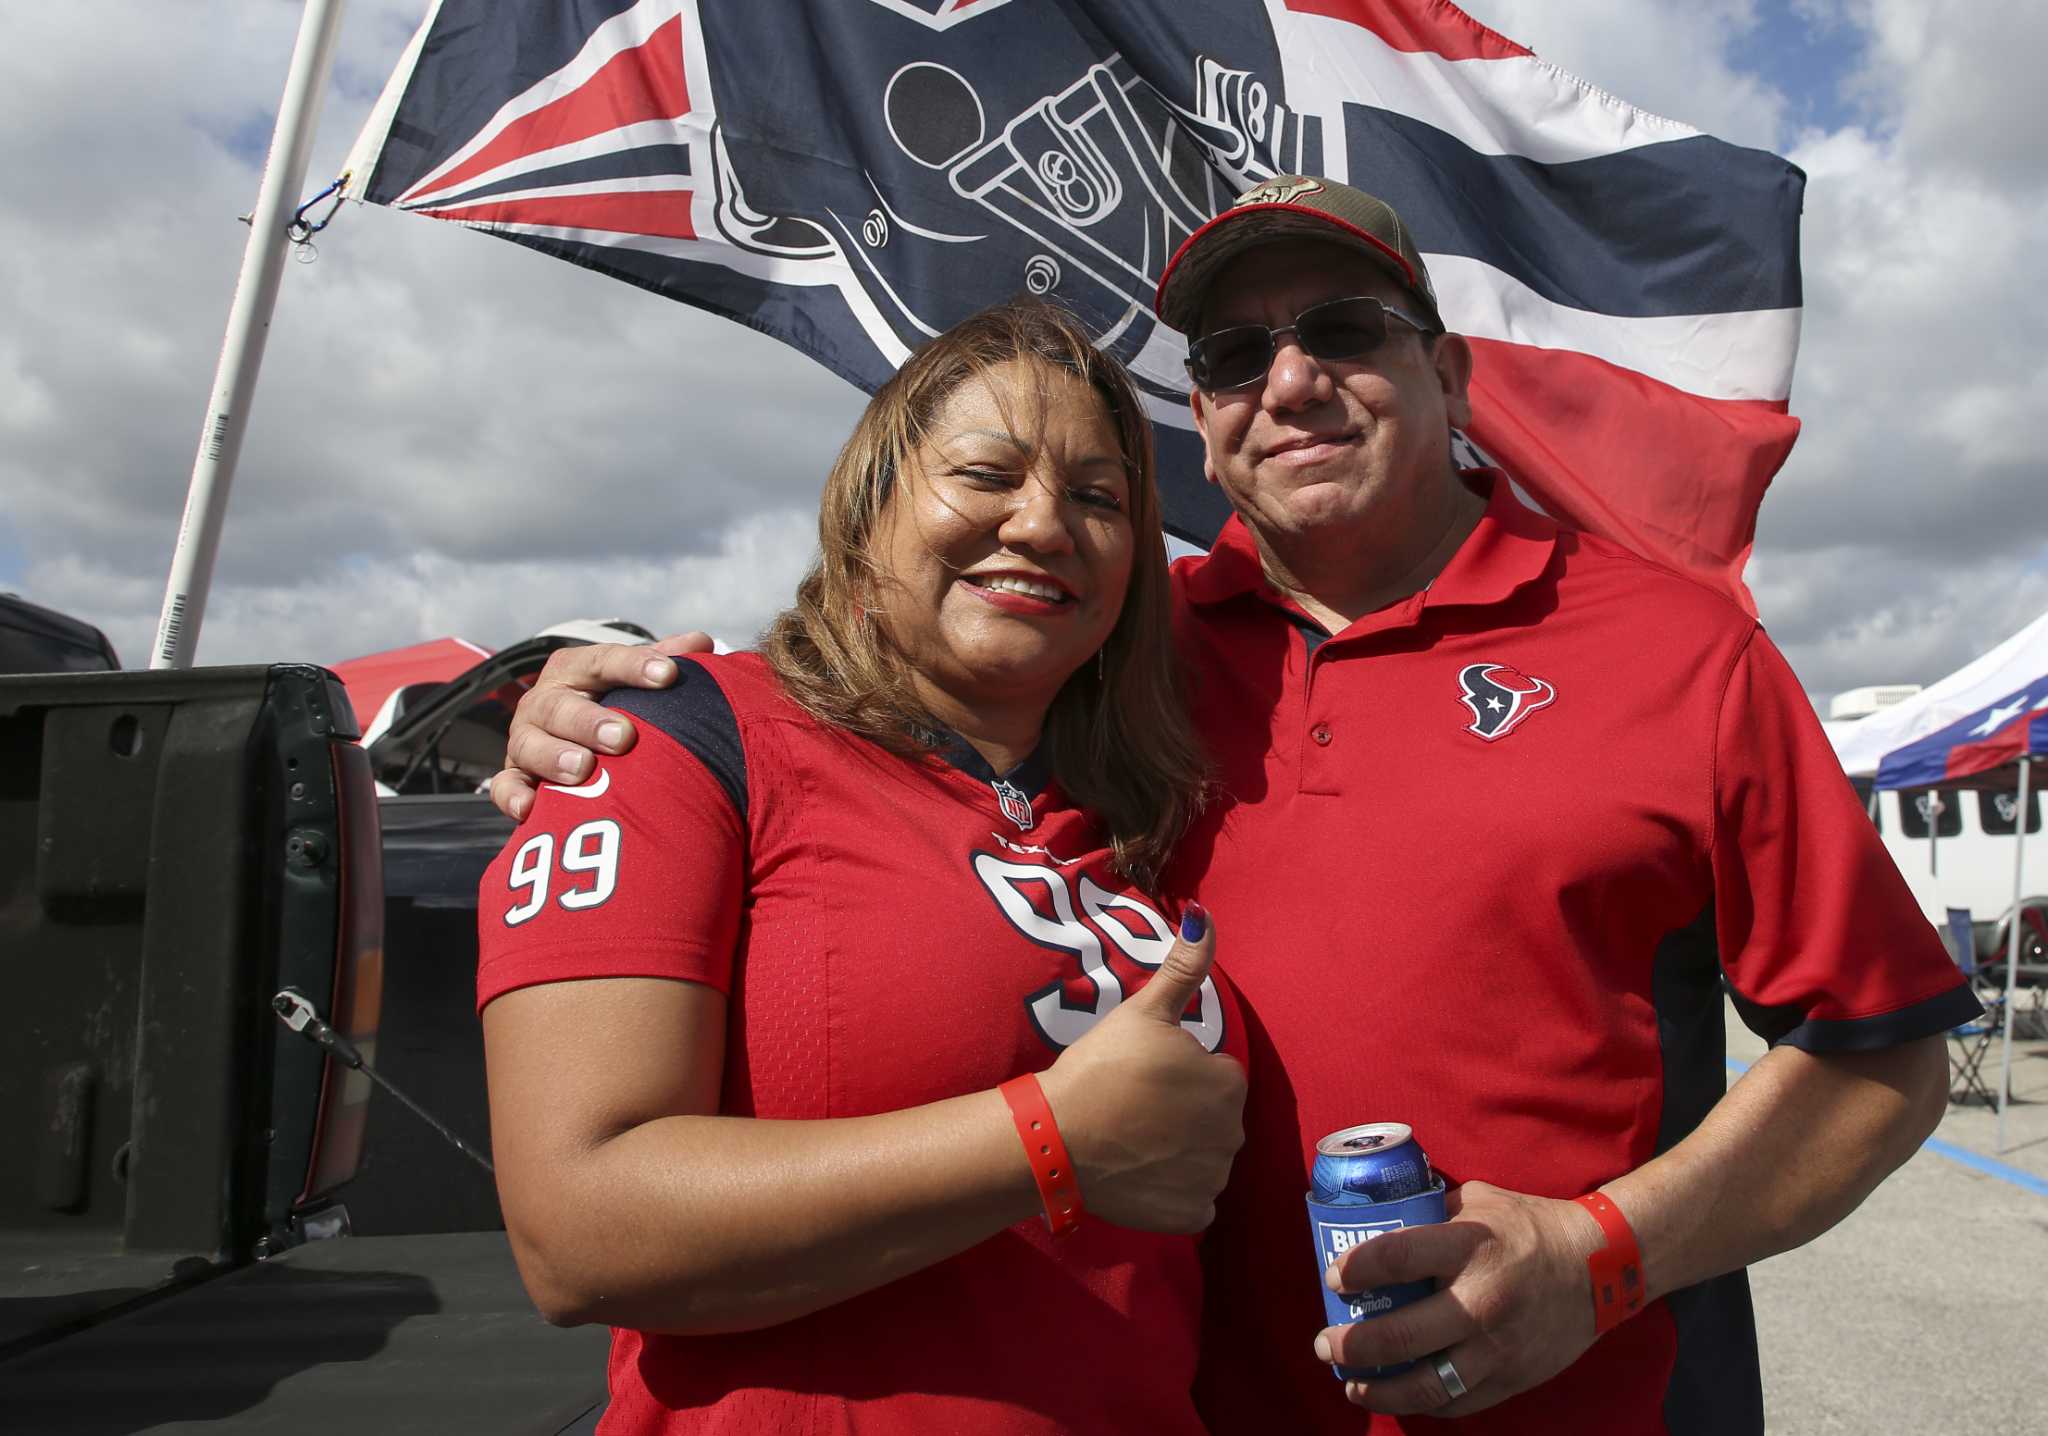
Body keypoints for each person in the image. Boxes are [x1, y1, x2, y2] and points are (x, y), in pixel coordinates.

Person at [493, 179, 1978, 1434]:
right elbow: (872, 706)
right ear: (1199, 423)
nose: (1288, 381)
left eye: (1343, 331)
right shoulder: (1118, 656)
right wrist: (598, 704)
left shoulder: (1675, 647)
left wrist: (1605, 1256)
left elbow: (1881, 1053)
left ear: (1453, 376)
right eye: (1230, 354)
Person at [476, 298, 1248, 1436]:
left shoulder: (1142, 812)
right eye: (985, 473)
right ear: (868, 502)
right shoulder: (676, 739)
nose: (1042, 524)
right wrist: (1044, 1139)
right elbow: (574, 1233)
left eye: (1097, 498)